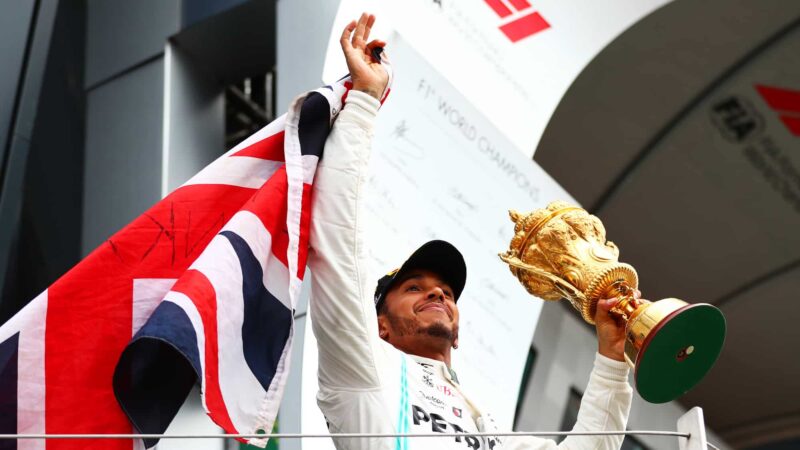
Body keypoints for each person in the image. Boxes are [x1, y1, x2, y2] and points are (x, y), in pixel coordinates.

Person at [307, 13, 632, 450]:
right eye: (414, 287)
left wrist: (612, 356)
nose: (438, 294)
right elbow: (340, 245)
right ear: (380, 325)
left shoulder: (490, 429)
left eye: (446, 291)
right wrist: (365, 101)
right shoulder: (364, 372)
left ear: (457, 333)